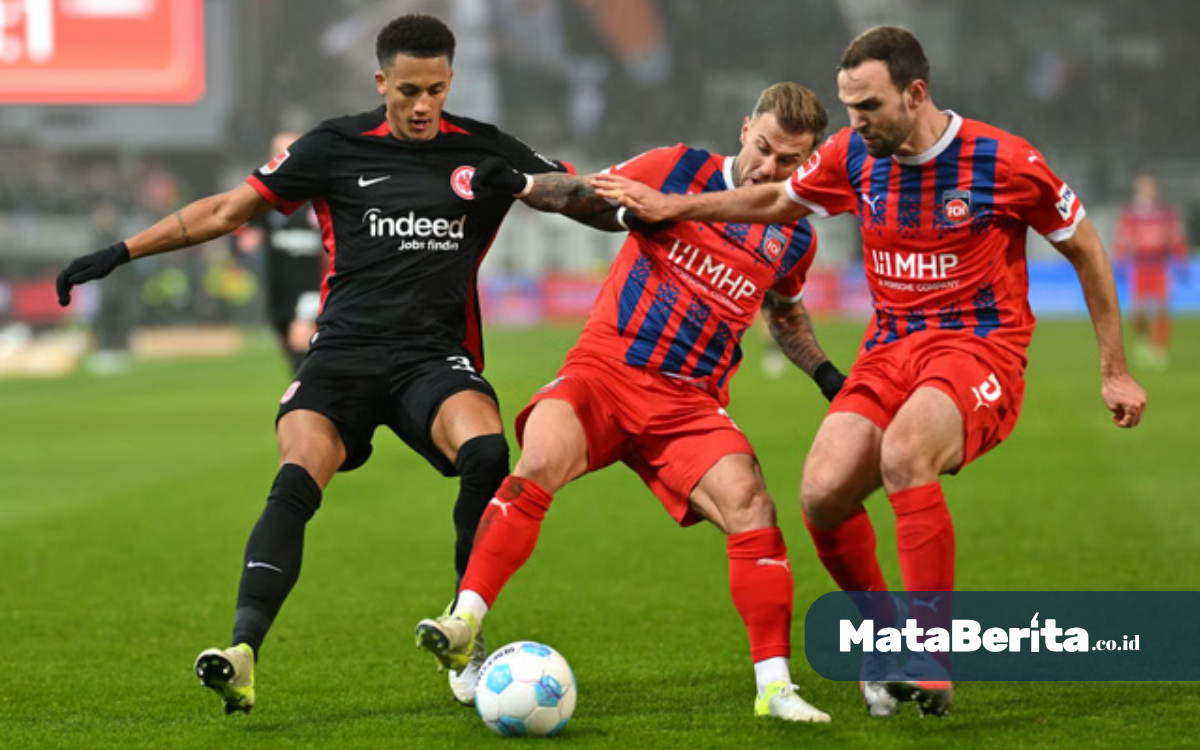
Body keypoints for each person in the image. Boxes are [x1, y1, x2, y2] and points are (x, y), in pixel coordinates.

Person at [54, 14, 617, 715]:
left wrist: (531, 187)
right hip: (341, 356)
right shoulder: (333, 146)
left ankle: (463, 631)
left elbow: (596, 203)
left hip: (432, 358)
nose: (422, 105)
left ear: (450, 82)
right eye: (408, 88)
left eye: (436, 89)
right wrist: (120, 252)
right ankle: (243, 650)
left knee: (487, 451)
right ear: (381, 80)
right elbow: (229, 211)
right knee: (295, 477)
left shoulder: (484, 149)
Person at [595, 26, 1147, 718]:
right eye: (848, 105)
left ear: (915, 95)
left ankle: (931, 651)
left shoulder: (1004, 161)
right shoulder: (853, 155)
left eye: (869, 107)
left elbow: (1088, 251)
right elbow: (773, 201)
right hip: (890, 351)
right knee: (822, 494)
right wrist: (676, 207)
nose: (854, 122)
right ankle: (886, 636)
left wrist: (1115, 370)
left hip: (978, 350)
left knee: (904, 452)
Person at [415, 83, 846, 723]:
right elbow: (587, 192)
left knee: (752, 505)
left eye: (789, 162)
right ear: (743, 129)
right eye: (763, 150)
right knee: (537, 462)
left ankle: (775, 687)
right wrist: (525, 187)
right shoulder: (676, 169)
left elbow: (783, 313)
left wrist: (828, 376)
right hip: (605, 373)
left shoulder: (792, 233)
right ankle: (462, 625)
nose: (769, 170)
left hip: (688, 405)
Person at [235, 130, 326, 373]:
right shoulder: (266, 201)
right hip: (279, 289)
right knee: (288, 345)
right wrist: (243, 242)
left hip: (312, 285)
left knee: (300, 337)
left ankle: (309, 400)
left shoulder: (319, 195)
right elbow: (248, 237)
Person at [1113, 172, 1189, 369]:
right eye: (1143, 187)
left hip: (1159, 266)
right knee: (1137, 313)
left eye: (1150, 187)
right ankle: (1142, 340)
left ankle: (1159, 349)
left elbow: (1175, 238)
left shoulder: (1166, 214)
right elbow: (1123, 238)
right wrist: (1120, 259)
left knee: (1162, 310)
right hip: (1139, 266)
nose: (1147, 191)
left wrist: (1181, 260)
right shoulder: (1130, 215)